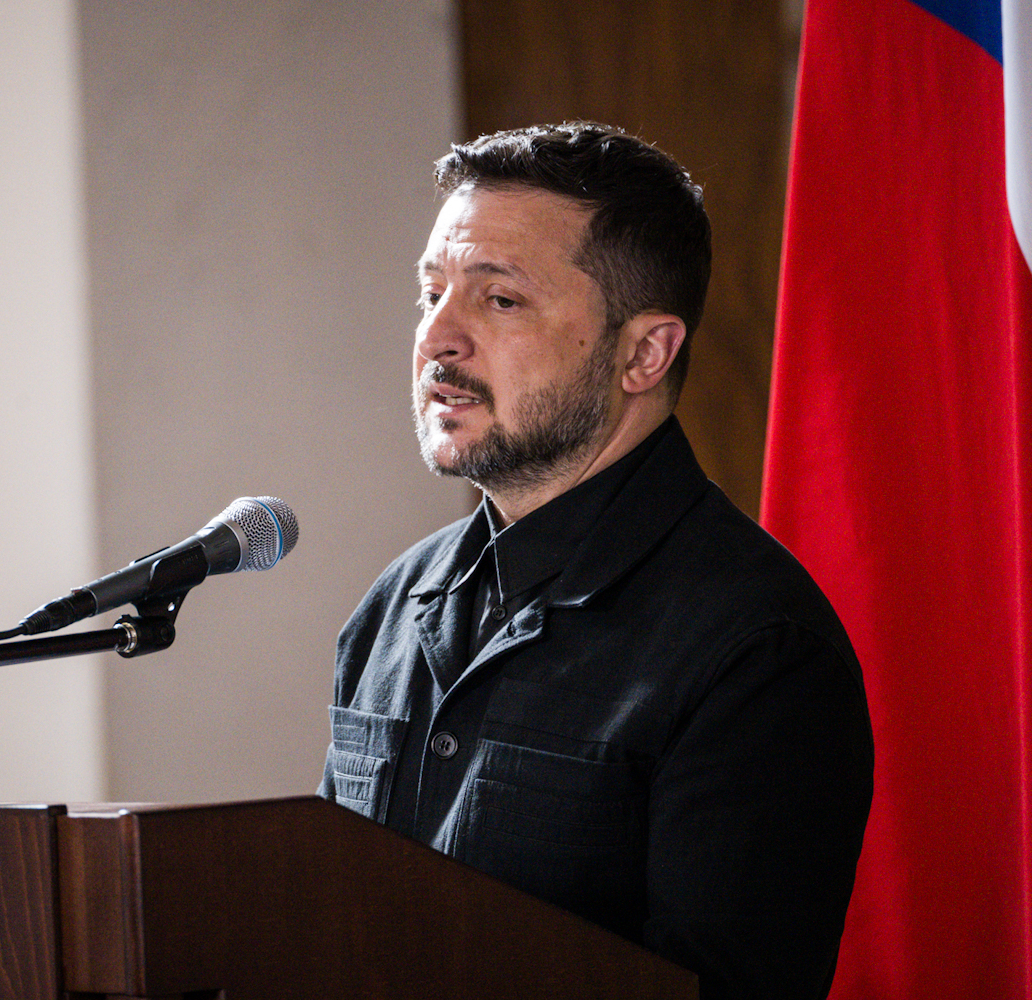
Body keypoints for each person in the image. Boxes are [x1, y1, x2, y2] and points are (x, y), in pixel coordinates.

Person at [318, 122, 873, 1000]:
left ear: (643, 353)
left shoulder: (757, 649)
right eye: (431, 294)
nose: (438, 337)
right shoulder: (393, 603)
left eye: (500, 300)